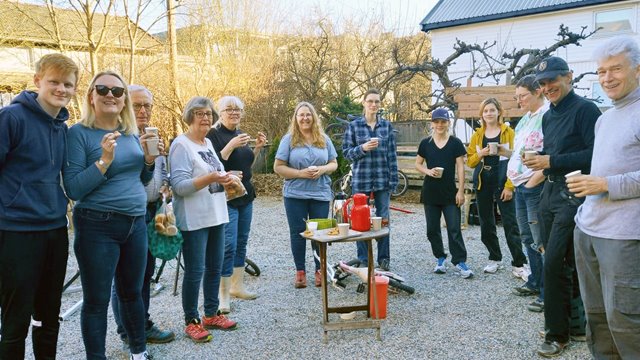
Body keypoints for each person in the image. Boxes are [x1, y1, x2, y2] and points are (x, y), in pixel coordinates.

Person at [63, 71, 160, 360]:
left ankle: (138, 352)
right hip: (97, 226)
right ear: (91, 96)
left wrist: (149, 161)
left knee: (132, 293)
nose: (110, 95)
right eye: (102, 89)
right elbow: (74, 189)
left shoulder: (130, 132)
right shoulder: (78, 133)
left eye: (117, 91)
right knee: (97, 300)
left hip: (135, 223)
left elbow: (140, 178)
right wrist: (104, 161)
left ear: (124, 100)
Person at [0, 54, 78, 360]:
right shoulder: (12, 118)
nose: (61, 89)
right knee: (16, 319)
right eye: (54, 82)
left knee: (48, 314)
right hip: (17, 231)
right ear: (37, 81)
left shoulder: (62, 126)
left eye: (68, 84)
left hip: (55, 230)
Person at [567, 36, 640, 359]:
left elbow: (607, 179)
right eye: (601, 71)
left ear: (637, 70)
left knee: (626, 320)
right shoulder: (605, 118)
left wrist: (605, 184)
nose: (607, 78)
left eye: (615, 69)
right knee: (596, 319)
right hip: (589, 229)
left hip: (624, 236)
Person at [523, 56, 601, 357]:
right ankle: (577, 326)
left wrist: (550, 161)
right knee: (561, 262)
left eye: (552, 80)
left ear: (569, 76)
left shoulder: (586, 110)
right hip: (549, 193)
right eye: (542, 83)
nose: (547, 87)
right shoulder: (548, 115)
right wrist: (539, 156)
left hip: (574, 193)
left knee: (554, 263)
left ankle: (557, 334)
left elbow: (594, 155)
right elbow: (555, 151)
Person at [109, 85, 175, 344]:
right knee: (126, 279)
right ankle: (128, 331)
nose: (144, 110)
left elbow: (159, 173)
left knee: (145, 274)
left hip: (152, 211)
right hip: (128, 214)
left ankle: (141, 323)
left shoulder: (152, 133)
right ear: (124, 105)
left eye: (148, 105)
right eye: (137, 105)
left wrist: (166, 182)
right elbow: (119, 179)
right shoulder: (119, 137)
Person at [169, 96, 238, 343]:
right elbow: (179, 186)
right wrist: (211, 178)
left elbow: (214, 174)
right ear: (189, 116)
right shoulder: (181, 145)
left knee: (215, 267)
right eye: (199, 113)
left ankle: (211, 313)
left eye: (208, 113)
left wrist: (227, 178)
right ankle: (191, 320)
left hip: (217, 214)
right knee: (195, 271)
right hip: (194, 218)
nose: (205, 117)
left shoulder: (207, 142)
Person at [207, 96, 267, 313]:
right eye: (229, 109)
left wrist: (257, 148)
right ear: (220, 113)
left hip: (245, 194)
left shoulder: (241, 134)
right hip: (225, 197)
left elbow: (246, 165)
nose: (234, 112)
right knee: (228, 243)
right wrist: (231, 145)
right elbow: (213, 164)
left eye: (238, 109)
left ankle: (237, 286)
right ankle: (223, 295)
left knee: (241, 241)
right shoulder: (213, 135)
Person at [274, 102, 338, 288]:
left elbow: (334, 163)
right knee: (298, 233)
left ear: (314, 117)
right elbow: (278, 167)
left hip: (320, 193)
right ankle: (300, 272)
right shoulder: (289, 140)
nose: (305, 118)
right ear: (295, 118)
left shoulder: (323, 138)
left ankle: (319, 270)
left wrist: (322, 169)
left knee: (319, 233)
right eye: (301, 115)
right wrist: (300, 173)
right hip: (295, 194)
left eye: (308, 115)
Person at [466, 98, 527, 277]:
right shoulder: (478, 135)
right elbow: (470, 161)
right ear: (482, 114)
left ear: (499, 112)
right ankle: (494, 258)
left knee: (510, 222)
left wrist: (510, 186)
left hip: (503, 178)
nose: (489, 114)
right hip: (483, 179)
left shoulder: (509, 132)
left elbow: (516, 159)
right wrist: (481, 153)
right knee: (486, 222)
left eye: (492, 110)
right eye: (485, 111)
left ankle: (519, 262)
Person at [342, 88, 398, 271]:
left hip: (383, 179)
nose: (374, 105)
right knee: (361, 220)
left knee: (383, 219)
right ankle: (364, 259)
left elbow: (392, 155)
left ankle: (384, 259)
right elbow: (346, 154)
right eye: (370, 101)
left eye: (377, 102)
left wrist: (394, 180)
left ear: (380, 105)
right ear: (364, 103)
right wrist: (363, 148)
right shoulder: (354, 126)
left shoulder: (387, 127)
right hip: (361, 180)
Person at [415, 108, 472, 279]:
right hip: (430, 192)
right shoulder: (425, 143)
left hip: (450, 193)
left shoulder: (455, 143)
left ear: (448, 123)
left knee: (454, 228)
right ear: (432, 123)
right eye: (436, 121)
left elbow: (461, 167)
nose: (440, 125)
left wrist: (460, 191)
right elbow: (418, 164)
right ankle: (440, 258)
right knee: (432, 229)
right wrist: (427, 171)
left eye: (443, 121)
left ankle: (460, 261)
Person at [507, 75, 547, 312]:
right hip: (520, 184)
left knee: (540, 238)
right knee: (527, 237)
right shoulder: (524, 120)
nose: (519, 100)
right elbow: (518, 151)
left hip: (534, 185)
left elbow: (548, 153)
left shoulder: (547, 116)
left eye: (523, 95)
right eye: (517, 96)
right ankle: (535, 281)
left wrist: (533, 182)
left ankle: (546, 292)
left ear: (537, 92)